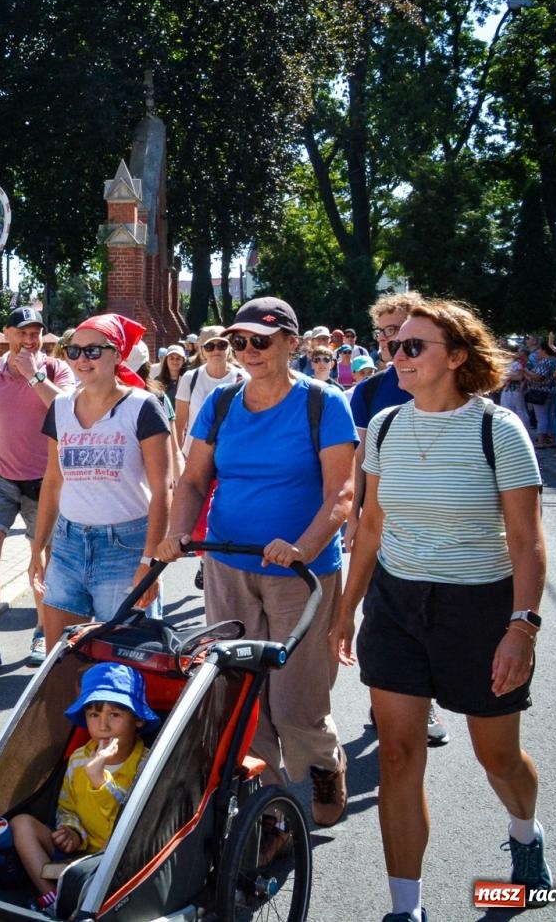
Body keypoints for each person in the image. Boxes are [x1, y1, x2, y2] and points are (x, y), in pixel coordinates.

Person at [327, 299, 550, 922]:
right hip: (396, 604)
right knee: (398, 755)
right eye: (395, 345)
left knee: (496, 757)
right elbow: (371, 525)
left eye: (413, 346)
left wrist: (521, 628)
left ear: (457, 357)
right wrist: (346, 610)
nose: (397, 355)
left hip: (479, 608)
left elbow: (527, 540)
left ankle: (526, 836)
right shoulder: (387, 426)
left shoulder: (497, 430)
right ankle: (407, 908)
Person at [154, 297, 357, 827]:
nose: (248, 351)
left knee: (296, 701)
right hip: (229, 564)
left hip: (300, 573)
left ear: (292, 343)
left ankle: (321, 764)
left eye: (260, 341)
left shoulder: (324, 403)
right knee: (244, 695)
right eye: (239, 341)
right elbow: (195, 479)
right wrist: (179, 532)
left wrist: (302, 547)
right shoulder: (220, 403)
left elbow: (342, 493)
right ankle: (266, 808)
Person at [28, 315, 174, 649]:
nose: (82, 359)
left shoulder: (142, 407)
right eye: (73, 350)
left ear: (118, 355)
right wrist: (38, 547)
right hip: (68, 545)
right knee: (62, 659)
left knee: (123, 663)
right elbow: (53, 480)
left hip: (126, 548)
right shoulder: (60, 407)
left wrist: (150, 562)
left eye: (93, 350)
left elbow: (162, 488)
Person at [346, 291, 449, 747]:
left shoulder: (451, 384)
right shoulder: (368, 391)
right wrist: (353, 514)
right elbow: (361, 457)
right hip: (381, 521)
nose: (393, 342)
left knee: (430, 610)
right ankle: (391, 698)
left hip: (440, 523)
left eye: (402, 332)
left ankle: (425, 701)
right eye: (385, 333)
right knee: (383, 609)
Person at [0, 306, 78, 672]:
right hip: (0, 479)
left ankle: (42, 632)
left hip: (47, 482)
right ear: (6, 334)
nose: (29, 340)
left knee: (46, 560)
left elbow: (67, 411)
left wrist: (34, 376)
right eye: (22, 333)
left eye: (35, 333)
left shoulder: (55, 370)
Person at [9, 662, 154, 917]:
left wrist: (100, 779)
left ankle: (79, 897)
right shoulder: (78, 759)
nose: (103, 726)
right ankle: (51, 899)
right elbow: (67, 805)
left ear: (138, 719)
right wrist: (72, 831)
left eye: (115, 715)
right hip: (80, 851)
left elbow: (133, 820)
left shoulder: (146, 764)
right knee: (21, 824)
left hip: (119, 858)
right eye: (94, 715)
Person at [173, 324, 244, 457]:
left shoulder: (243, 378)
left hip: (230, 456)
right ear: (202, 351)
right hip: (193, 456)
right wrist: (178, 458)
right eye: (209, 347)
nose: (216, 351)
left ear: (229, 348)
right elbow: (179, 424)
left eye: (222, 345)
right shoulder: (190, 378)